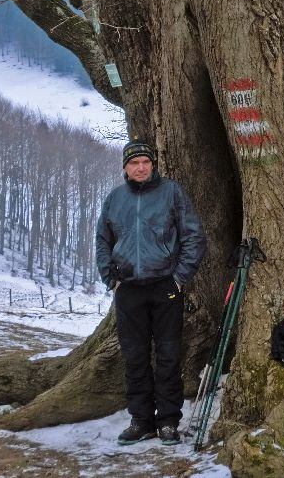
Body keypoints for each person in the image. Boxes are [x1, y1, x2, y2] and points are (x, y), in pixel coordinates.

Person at [96, 139, 207, 445]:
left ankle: (168, 421)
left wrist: (179, 278)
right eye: (134, 163)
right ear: (125, 168)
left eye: (146, 162)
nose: (141, 167)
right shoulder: (115, 199)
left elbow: (193, 237)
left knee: (169, 355)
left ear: (153, 165)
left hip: (165, 287)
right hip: (129, 289)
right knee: (134, 356)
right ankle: (141, 420)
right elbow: (102, 241)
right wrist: (111, 279)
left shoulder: (172, 193)